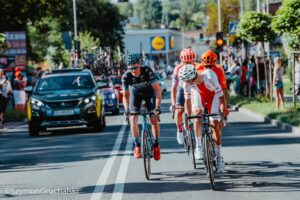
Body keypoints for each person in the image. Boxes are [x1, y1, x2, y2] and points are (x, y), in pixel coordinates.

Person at [178, 64, 226, 172]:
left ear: (194, 77)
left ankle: (219, 157)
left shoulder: (209, 77)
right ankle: (198, 147)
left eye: (188, 81)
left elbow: (222, 99)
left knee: (215, 124)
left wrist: (222, 117)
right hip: (199, 94)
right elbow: (188, 101)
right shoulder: (187, 84)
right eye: (184, 81)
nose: (186, 83)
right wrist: (188, 118)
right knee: (197, 115)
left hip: (213, 96)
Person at [122, 53, 162, 160]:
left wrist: (157, 107)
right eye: (131, 68)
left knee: (153, 119)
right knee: (132, 118)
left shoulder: (147, 71)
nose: (133, 71)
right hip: (136, 94)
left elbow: (157, 90)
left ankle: (156, 144)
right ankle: (137, 145)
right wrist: (126, 109)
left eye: (135, 67)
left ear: (140, 64)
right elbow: (125, 96)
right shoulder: (126, 76)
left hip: (149, 93)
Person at [171, 47, 197, 145]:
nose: (188, 65)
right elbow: (174, 88)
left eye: (190, 63)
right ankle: (180, 130)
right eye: (186, 63)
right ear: (182, 60)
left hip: (194, 89)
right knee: (179, 111)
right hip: (182, 89)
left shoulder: (197, 66)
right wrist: (174, 104)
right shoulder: (177, 68)